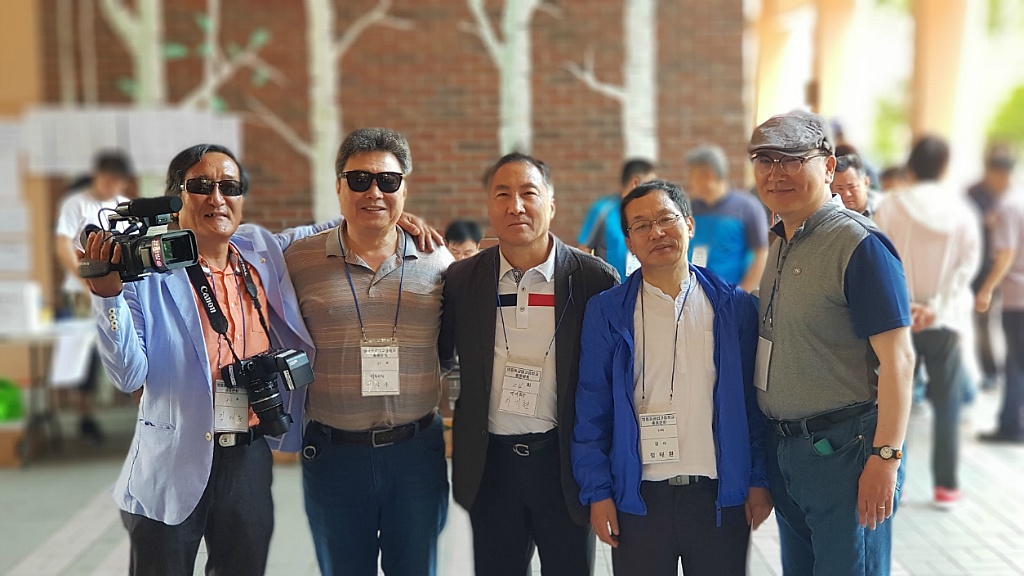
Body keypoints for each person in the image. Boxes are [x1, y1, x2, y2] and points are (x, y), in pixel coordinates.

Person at [82, 144, 322, 576]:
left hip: (248, 453)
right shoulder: (146, 273)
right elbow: (129, 376)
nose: (217, 198)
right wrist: (108, 298)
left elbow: (321, 229)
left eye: (229, 186)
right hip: (173, 454)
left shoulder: (258, 249)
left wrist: (393, 220)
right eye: (201, 186)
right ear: (176, 198)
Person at [572, 179, 772, 575]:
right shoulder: (607, 311)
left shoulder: (733, 307)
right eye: (641, 225)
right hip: (637, 497)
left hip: (718, 496)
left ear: (690, 224)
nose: (657, 232)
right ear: (629, 242)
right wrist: (598, 492)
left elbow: (753, 404)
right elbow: (591, 408)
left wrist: (758, 481)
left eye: (667, 219)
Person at [750, 110, 915, 575]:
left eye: (792, 160)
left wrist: (886, 459)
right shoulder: (781, 240)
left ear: (827, 167)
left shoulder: (858, 244)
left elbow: (900, 360)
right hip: (789, 452)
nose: (776, 173)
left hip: (846, 453)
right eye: (765, 160)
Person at [439, 152, 618, 576]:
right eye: (502, 194)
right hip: (490, 468)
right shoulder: (462, 281)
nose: (515, 206)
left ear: (551, 205)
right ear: (489, 206)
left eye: (528, 193)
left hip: (564, 465)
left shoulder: (595, 280)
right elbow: (441, 354)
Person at [285, 128, 452, 576]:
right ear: (338, 187)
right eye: (359, 180)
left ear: (404, 189)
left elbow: (454, 346)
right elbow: (239, 245)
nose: (373, 192)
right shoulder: (297, 261)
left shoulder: (438, 262)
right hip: (333, 454)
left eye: (387, 181)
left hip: (416, 453)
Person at [873, 135, 981, 506]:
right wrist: (935, 306)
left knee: (891, 398)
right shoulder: (962, 211)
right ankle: (946, 485)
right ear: (945, 167)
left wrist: (906, 303)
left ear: (911, 165)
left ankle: (893, 481)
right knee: (947, 402)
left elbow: (879, 258)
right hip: (943, 322)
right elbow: (967, 266)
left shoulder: (890, 206)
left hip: (897, 318)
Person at [54, 150, 133, 443]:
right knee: (83, 356)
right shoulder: (76, 203)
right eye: (107, 179)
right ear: (96, 176)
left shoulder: (122, 205)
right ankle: (86, 417)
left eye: (117, 181)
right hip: (80, 293)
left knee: (121, 342)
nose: (111, 186)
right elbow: (63, 246)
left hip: (117, 289)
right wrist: (83, 282)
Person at [975, 174, 1024, 445]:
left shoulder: (1009, 206)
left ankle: (1012, 424)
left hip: (1017, 297)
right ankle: (1011, 421)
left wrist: (987, 288)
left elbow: (1006, 253)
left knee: (1016, 362)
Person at [685, 145, 769, 291]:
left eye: (692, 174)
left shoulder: (747, 207)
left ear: (708, 175)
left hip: (732, 294)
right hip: (695, 295)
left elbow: (761, 253)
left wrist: (742, 293)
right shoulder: (690, 208)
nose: (689, 180)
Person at [968, 145, 1017, 390]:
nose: (1002, 180)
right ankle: (990, 371)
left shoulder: (1013, 195)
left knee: (1012, 324)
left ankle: (1012, 371)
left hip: (1011, 270)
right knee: (983, 322)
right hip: (982, 267)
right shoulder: (973, 194)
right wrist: (985, 221)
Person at [577, 159, 657, 279]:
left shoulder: (651, 212)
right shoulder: (603, 210)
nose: (654, 190)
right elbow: (583, 252)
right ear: (635, 182)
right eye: (650, 184)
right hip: (610, 286)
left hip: (643, 285)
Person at [831, 144, 883, 217]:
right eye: (840, 188)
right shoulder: (831, 215)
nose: (847, 194)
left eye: (852, 187)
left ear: (866, 183)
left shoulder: (883, 207)